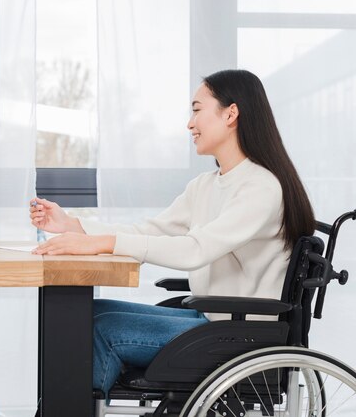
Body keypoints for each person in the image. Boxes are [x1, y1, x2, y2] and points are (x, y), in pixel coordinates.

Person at [29, 69, 315, 395]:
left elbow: (195, 249)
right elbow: (153, 230)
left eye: (196, 110)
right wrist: (73, 226)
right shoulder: (207, 184)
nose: (190, 124)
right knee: (86, 312)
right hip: (211, 318)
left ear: (231, 113)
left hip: (238, 333)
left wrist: (104, 244)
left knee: (98, 328)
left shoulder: (260, 187)